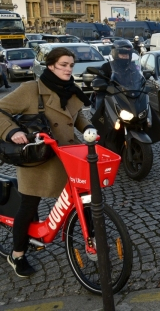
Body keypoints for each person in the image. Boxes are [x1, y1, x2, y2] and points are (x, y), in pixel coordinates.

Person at [0, 47, 95, 277]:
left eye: (71, 65)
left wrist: (87, 127)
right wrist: (12, 132)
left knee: (85, 200)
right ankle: (17, 255)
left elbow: (75, 116)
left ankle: (92, 241)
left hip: (66, 156)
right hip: (38, 157)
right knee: (29, 206)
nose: (68, 69)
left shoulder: (71, 90)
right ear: (51, 65)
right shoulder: (31, 89)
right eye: (63, 65)